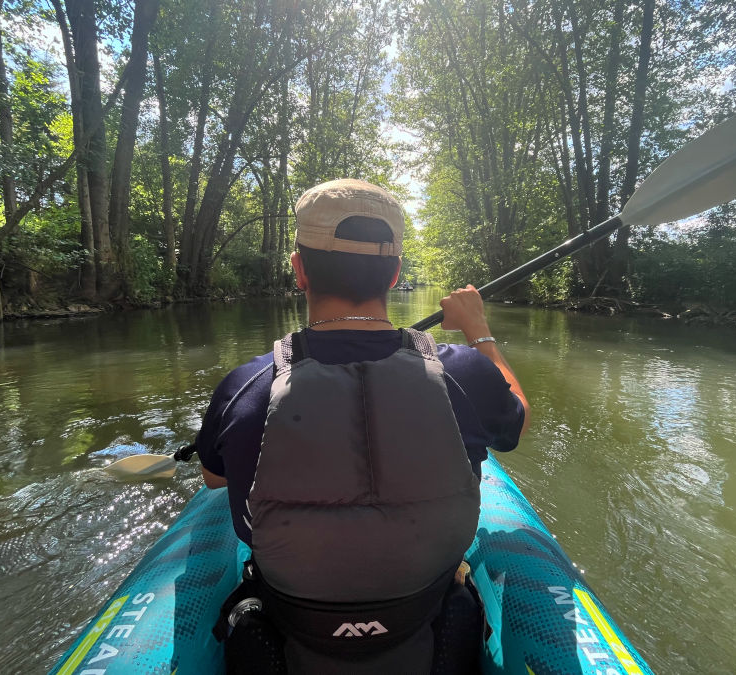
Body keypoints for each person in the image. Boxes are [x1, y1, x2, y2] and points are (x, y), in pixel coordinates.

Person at [195, 178, 529, 674]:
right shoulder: (462, 372)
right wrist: (479, 332)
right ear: (395, 274)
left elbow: (215, 478)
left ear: (299, 270)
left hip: (289, 628)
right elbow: (515, 423)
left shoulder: (247, 386)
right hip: (428, 620)